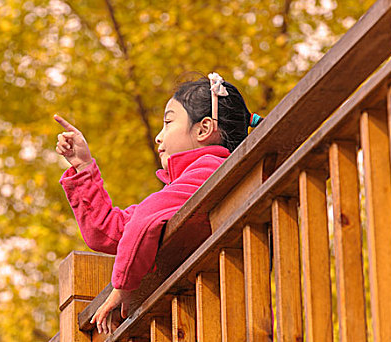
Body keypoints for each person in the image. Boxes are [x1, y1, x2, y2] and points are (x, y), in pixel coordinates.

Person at [55, 73, 263, 335]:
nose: (158, 136)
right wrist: (83, 168)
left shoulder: (210, 169)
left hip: (210, 318)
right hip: (191, 318)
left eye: (168, 122)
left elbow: (142, 223)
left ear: (203, 129)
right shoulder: (177, 190)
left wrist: (122, 287)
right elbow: (110, 232)